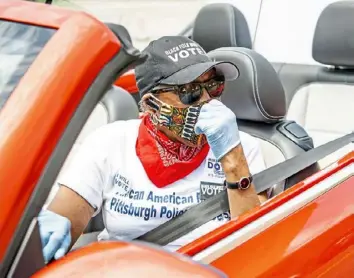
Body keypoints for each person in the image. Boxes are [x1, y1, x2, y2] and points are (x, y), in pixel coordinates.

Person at [38, 36, 268, 264]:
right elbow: (60, 227)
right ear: (151, 105)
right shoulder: (109, 143)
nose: (207, 100)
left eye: (213, 86)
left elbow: (254, 245)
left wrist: (232, 158)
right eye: (190, 91)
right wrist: (51, 230)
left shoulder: (242, 147)